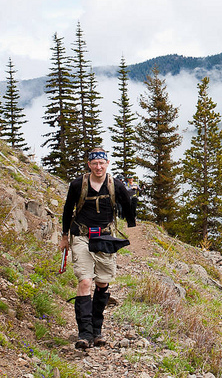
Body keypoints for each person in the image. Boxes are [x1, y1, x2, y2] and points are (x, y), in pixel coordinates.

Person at [59, 148, 136, 349]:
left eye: (102, 163)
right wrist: (64, 236)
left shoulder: (115, 185)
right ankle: (84, 334)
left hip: (105, 238)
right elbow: (68, 209)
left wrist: (132, 222)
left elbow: (127, 206)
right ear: (89, 165)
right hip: (82, 236)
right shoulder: (78, 185)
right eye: (95, 163)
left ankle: (97, 330)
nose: (98, 167)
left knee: (102, 283)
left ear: (107, 163)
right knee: (85, 281)